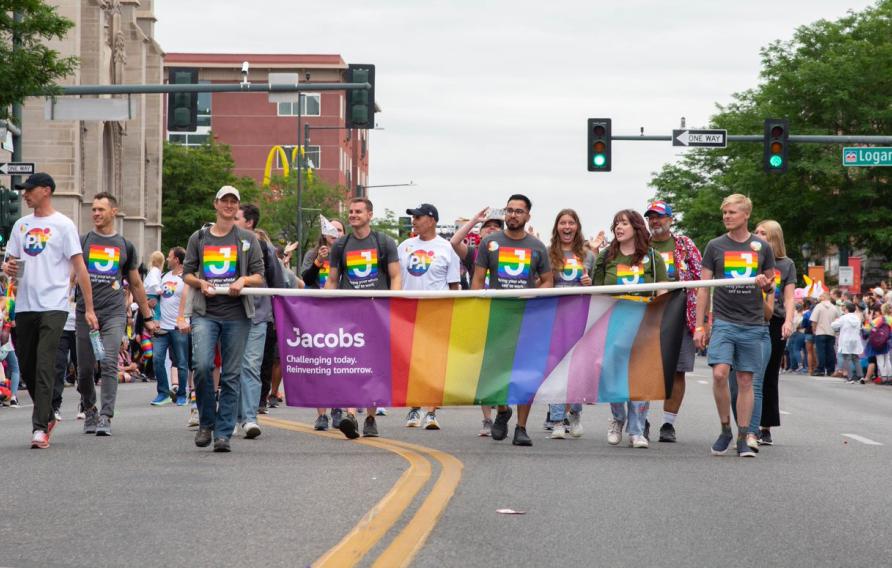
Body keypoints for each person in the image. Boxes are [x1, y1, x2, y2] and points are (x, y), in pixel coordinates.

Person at [2, 173, 99, 449]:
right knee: (29, 365)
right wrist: (8, 269)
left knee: (45, 364)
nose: (24, 194)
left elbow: (80, 268)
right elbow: (14, 265)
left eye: (29, 190)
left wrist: (88, 307)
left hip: (55, 305)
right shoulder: (20, 225)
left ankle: (40, 428)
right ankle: (45, 413)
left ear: (46, 191)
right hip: (25, 305)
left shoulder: (63, 225)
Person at [183, 186, 264, 452]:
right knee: (203, 366)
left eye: (234, 202)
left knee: (231, 375)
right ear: (216, 204)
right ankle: (206, 422)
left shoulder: (247, 239)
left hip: (237, 314)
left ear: (237, 207)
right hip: (206, 313)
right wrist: (201, 282)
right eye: (225, 201)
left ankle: (224, 433)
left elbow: (259, 275)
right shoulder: (200, 237)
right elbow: (187, 273)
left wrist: (243, 279)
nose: (229, 206)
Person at [694, 194, 775, 458]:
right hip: (724, 321)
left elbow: (771, 284)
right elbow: (703, 290)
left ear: (746, 215)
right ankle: (725, 429)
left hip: (752, 323)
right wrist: (700, 325)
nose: (726, 216)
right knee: (719, 373)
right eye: (724, 213)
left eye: (731, 212)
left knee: (745, 379)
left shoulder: (762, 247)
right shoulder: (715, 246)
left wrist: (766, 285)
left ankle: (743, 436)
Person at [471, 194, 552, 447]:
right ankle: (503, 410)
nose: (513, 215)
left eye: (519, 211)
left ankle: (521, 427)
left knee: (525, 374)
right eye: (509, 210)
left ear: (528, 216)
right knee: (496, 372)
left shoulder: (537, 246)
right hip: (497, 316)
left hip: (526, 317)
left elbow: (548, 279)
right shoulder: (490, 242)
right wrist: (476, 305)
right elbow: (477, 279)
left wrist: (535, 294)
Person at [75, 193, 157, 436]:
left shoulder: (125, 246)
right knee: (85, 369)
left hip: (113, 313)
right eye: (94, 209)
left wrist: (148, 316)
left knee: (110, 361)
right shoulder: (83, 241)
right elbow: (72, 276)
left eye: (101, 209)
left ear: (113, 211)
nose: (96, 213)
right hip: (84, 312)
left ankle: (105, 416)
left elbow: (136, 284)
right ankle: (89, 407)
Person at [325, 197, 401, 439]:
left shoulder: (384, 242)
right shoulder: (340, 245)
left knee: (373, 367)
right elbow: (332, 280)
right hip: (348, 315)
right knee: (350, 364)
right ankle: (349, 415)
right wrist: (323, 308)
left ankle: (369, 418)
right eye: (350, 211)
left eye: (358, 211)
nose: (353, 215)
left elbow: (396, 277)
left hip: (377, 313)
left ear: (370, 214)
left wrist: (393, 306)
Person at [592, 209, 668, 449]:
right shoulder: (606, 256)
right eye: (616, 223)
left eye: (624, 223)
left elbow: (662, 291)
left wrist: (660, 321)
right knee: (612, 372)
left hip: (643, 323)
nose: (618, 227)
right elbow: (596, 292)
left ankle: (637, 430)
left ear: (636, 227)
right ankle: (617, 419)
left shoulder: (653, 257)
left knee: (640, 376)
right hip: (612, 322)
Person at [644, 200, 702, 443]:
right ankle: (641, 419)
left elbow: (701, 279)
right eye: (651, 217)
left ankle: (668, 424)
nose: (655, 221)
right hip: (647, 314)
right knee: (644, 370)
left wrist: (701, 320)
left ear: (670, 219)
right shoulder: (640, 244)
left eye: (659, 217)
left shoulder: (684, 245)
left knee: (678, 371)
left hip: (679, 312)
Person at [399, 203, 461, 431]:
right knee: (413, 363)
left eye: (418, 217)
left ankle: (432, 412)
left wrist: (456, 313)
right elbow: (397, 279)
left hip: (437, 313)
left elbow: (454, 284)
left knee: (435, 363)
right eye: (413, 217)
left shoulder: (446, 248)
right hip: (408, 313)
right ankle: (414, 407)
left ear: (432, 220)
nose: (414, 221)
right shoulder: (404, 246)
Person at [234, 204, 286, 439]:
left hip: (258, 316)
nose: (230, 220)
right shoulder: (226, 244)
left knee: (251, 367)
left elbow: (278, 283)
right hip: (231, 315)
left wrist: (276, 316)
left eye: (236, 218)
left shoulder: (265, 248)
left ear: (249, 223)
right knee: (231, 369)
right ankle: (232, 415)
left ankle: (249, 418)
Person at [451, 207, 505, 436]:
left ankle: (503, 409)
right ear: (480, 233)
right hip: (480, 314)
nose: (491, 229)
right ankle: (487, 419)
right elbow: (454, 242)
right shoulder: (474, 253)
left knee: (502, 368)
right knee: (485, 368)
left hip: (504, 314)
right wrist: (474, 220)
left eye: (496, 227)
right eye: (487, 227)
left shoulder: (510, 253)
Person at [546, 208, 594, 440]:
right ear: (557, 227)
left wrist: (589, 282)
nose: (567, 227)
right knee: (556, 369)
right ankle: (556, 421)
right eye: (562, 223)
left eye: (571, 223)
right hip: (554, 319)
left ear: (577, 227)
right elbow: (540, 283)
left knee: (577, 370)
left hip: (580, 319)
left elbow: (597, 289)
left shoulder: (588, 255)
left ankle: (575, 413)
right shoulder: (547, 254)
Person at [753, 220, 796, 446]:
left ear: (774, 238)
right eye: (756, 232)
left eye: (764, 233)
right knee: (747, 374)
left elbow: (789, 297)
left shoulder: (786, 264)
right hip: (750, 318)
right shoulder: (748, 259)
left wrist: (788, 321)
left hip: (775, 321)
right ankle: (747, 423)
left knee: (769, 374)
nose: (758, 235)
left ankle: (765, 426)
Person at [300, 218, 346, 429]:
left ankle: (338, 407)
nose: (334, 233)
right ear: (324, 233)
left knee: (340, 364)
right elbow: (306, 280)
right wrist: (319, 261)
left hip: (342, 314)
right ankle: (321, 414)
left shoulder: (347, 253)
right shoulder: (314, 254)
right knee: (319, 363)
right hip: (318, 314)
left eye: (338, 230)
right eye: (331, 230)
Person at [151, 247, 190, 406]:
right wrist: (153, 306)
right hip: (162, 327)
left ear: (177, 260)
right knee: (157, 359)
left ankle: (182, 394)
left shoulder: (186, 278)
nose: (167, 259)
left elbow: (189, 300)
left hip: (178, 327)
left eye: (169, 257)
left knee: (181, 362)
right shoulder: (163, 276)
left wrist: (185, 320)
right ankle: (163, 392)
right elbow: (157, 298)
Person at [832, 302, 864, 384]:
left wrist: (835, 321)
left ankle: (850, 377)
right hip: (855, 340)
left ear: (846, 309)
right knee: (856, 358)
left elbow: (834, 325)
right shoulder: (857, 318)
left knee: (847, 358)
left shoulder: (844, 317)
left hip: (846, 340)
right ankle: (860, 376)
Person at [810, 292, 840, 376]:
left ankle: (820, 369)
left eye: (820, 295)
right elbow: (838, 319)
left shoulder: (819, 306)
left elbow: (814, 320)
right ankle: (831, 370)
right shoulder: (834, 308)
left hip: (820, 332)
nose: (819, 297)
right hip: (831, 332)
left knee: (821, 351)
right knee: (830, 351)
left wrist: (814, 329)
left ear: (823, 297)